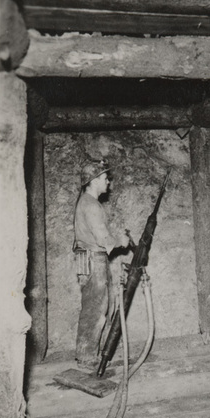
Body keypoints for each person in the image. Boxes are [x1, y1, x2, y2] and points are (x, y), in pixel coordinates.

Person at [73, 157, 132, 369]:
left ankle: (90, 353)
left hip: (89, 257)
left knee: (97, 305)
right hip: (93, 258)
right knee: (96, 308)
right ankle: (87, 357)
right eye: (105, 178)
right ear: (95, 180)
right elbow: (103, 239)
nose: (108, 182)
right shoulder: (91, 205)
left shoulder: (86, 202)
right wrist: (121, 241)